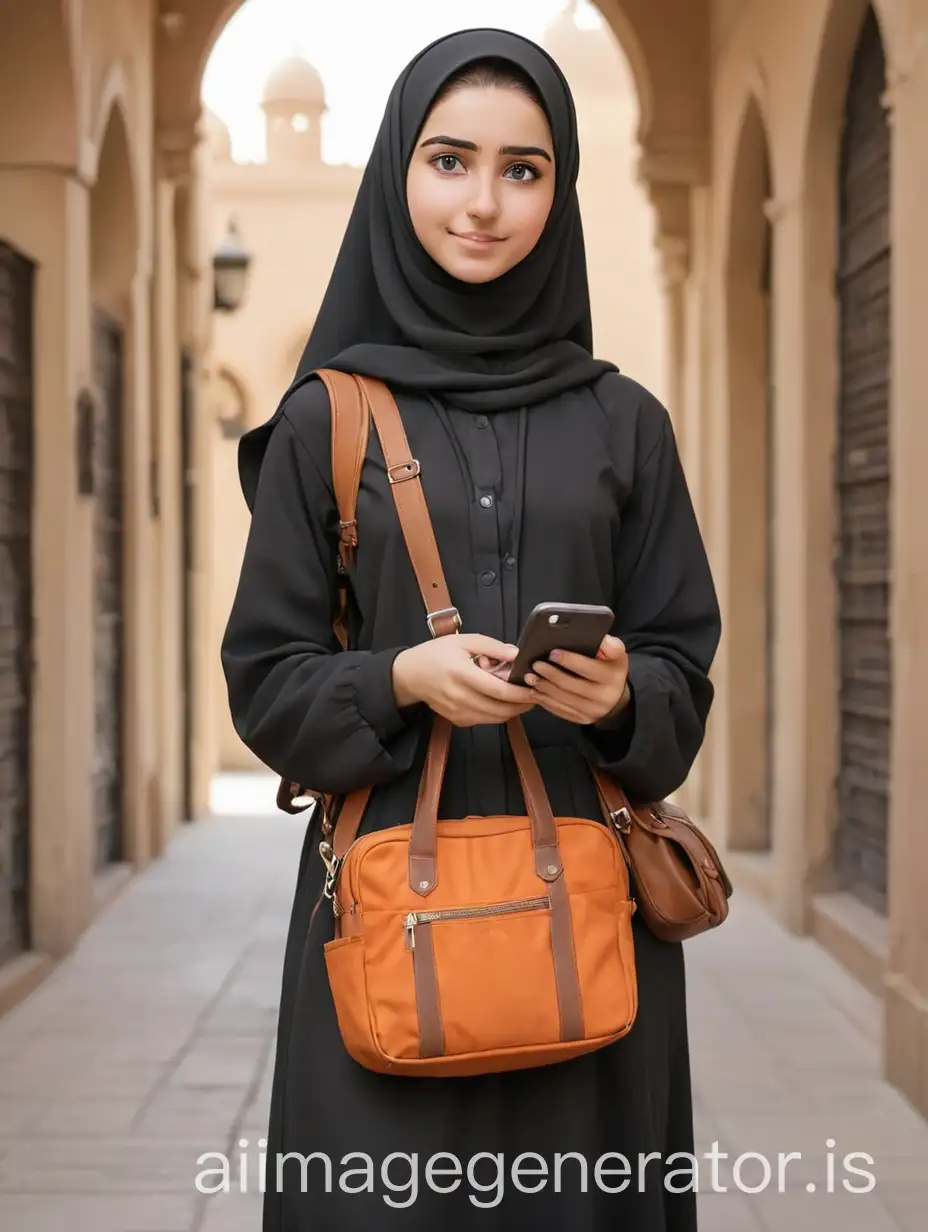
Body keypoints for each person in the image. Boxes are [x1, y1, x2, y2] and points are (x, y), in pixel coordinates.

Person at [221, 26, 721, 1232]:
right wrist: (400, 675)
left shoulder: (624, 423)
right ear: (397, 172)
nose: (485, 203)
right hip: (384, 916)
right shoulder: (324, 421)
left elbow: (680, 661)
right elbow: (265, 677)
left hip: (589, 920)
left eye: (524, 168)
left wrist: (619, 698)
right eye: (450, 161)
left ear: (561, 188)